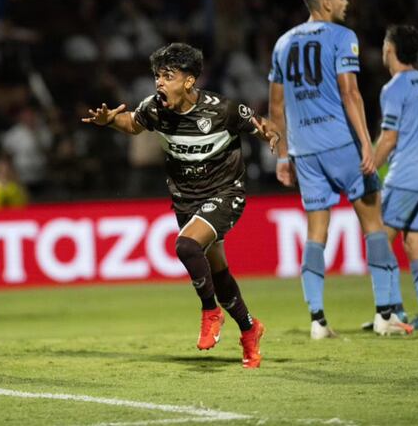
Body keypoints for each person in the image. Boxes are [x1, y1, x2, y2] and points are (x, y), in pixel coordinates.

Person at [82, 42, 281, 368]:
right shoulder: (154, 108)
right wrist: (109, 121)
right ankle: (249, 329)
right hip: (187, 199)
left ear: (189, 81)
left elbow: (259, 124)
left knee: (187, 246)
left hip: (226, 193)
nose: (159, 82)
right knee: (218, 272)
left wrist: (271, 133)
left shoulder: (222, 109)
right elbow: (132, 124)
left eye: (168, 76)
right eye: (157, 76)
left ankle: (210, 312)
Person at [268, 0, 413, 338]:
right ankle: (384, 316)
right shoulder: (342, 37)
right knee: (373, 226)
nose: (347, 2)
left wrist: (283, 155)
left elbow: (275, 104)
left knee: (316, 233)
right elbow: (350, 93)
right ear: (327, 4)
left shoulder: (283, 43)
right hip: (341, 145)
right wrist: (366, 142)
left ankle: (317, 321)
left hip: (305, 152)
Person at [372, 25, 418, 330]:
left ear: (390, 49)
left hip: (407, 173)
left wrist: (368, 168)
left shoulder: (394, 87)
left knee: (381, 240)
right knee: (415, 244)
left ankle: (393, 312)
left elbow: (389, 138)